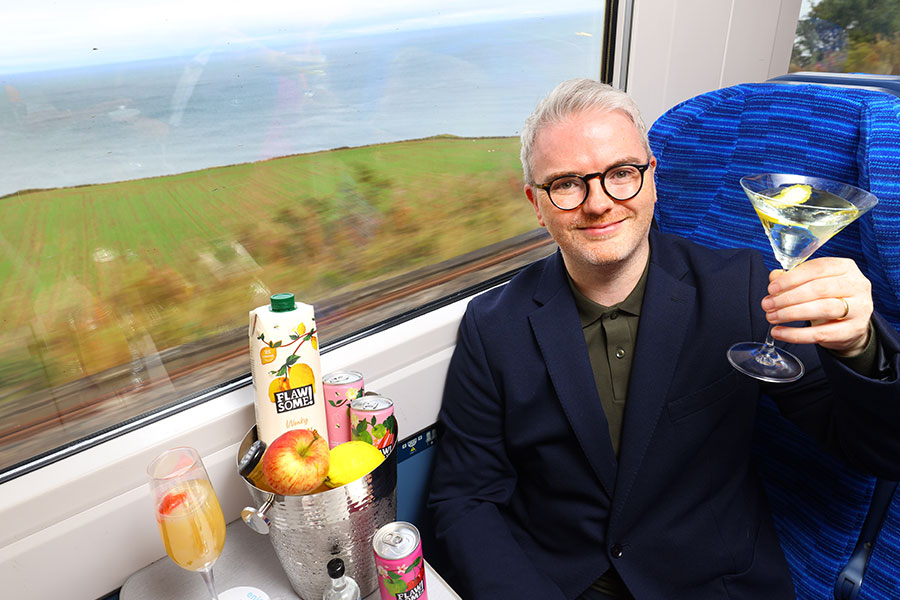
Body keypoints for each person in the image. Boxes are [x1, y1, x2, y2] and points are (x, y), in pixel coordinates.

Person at [426, 78, 900, 600]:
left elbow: (876, 449)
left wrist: (860, 348)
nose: (599, 203)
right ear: (537, 204)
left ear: (653, 179)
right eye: (566, 184)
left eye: (622, 174)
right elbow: (462, 500)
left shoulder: (737, 288)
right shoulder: (493, 324)